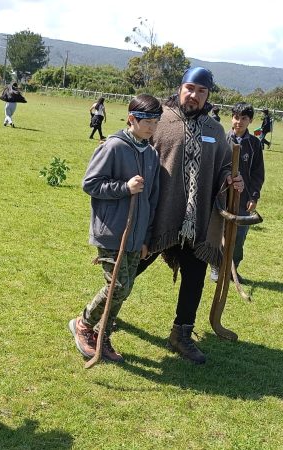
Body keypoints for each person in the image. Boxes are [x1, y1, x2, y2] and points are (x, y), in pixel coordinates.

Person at [135, 67, 243, 364]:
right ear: (181, 87)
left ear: (208, 96)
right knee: (130, 269)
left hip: (196, 223)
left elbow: (223, 166)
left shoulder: (214, 129)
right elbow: (135, 151)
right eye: (190, 88)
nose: (194, 95)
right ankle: (98, 317)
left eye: (201, 91)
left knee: (195, 277)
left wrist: (232, 179)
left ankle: (181, 334)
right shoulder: (160, 121)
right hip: (159, 217)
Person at [69, 94, 163, 364]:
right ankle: (84, 325)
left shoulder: (152, 154)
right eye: (147, 121)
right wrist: (124, 188)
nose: (152, 127)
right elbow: (90, 183)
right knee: (118, 285)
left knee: (125, 287)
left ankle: (102, 334)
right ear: (132, 118)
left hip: (136, 234)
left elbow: (152, 198)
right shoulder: (113, 147)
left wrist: (146, 237)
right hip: (112, 230)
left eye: (156, 122)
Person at [221, 102, 264, 282]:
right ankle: (218, 268)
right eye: (236, 117)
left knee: (239, 238)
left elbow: (257, 173)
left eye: (244, 118)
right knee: (220, 235)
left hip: (243, 200)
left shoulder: (254, 144)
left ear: (250, 120)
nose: (239, 122)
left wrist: (253, 196)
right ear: (232, 117)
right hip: (222, 198)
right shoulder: (222, 139)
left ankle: (233, 269)